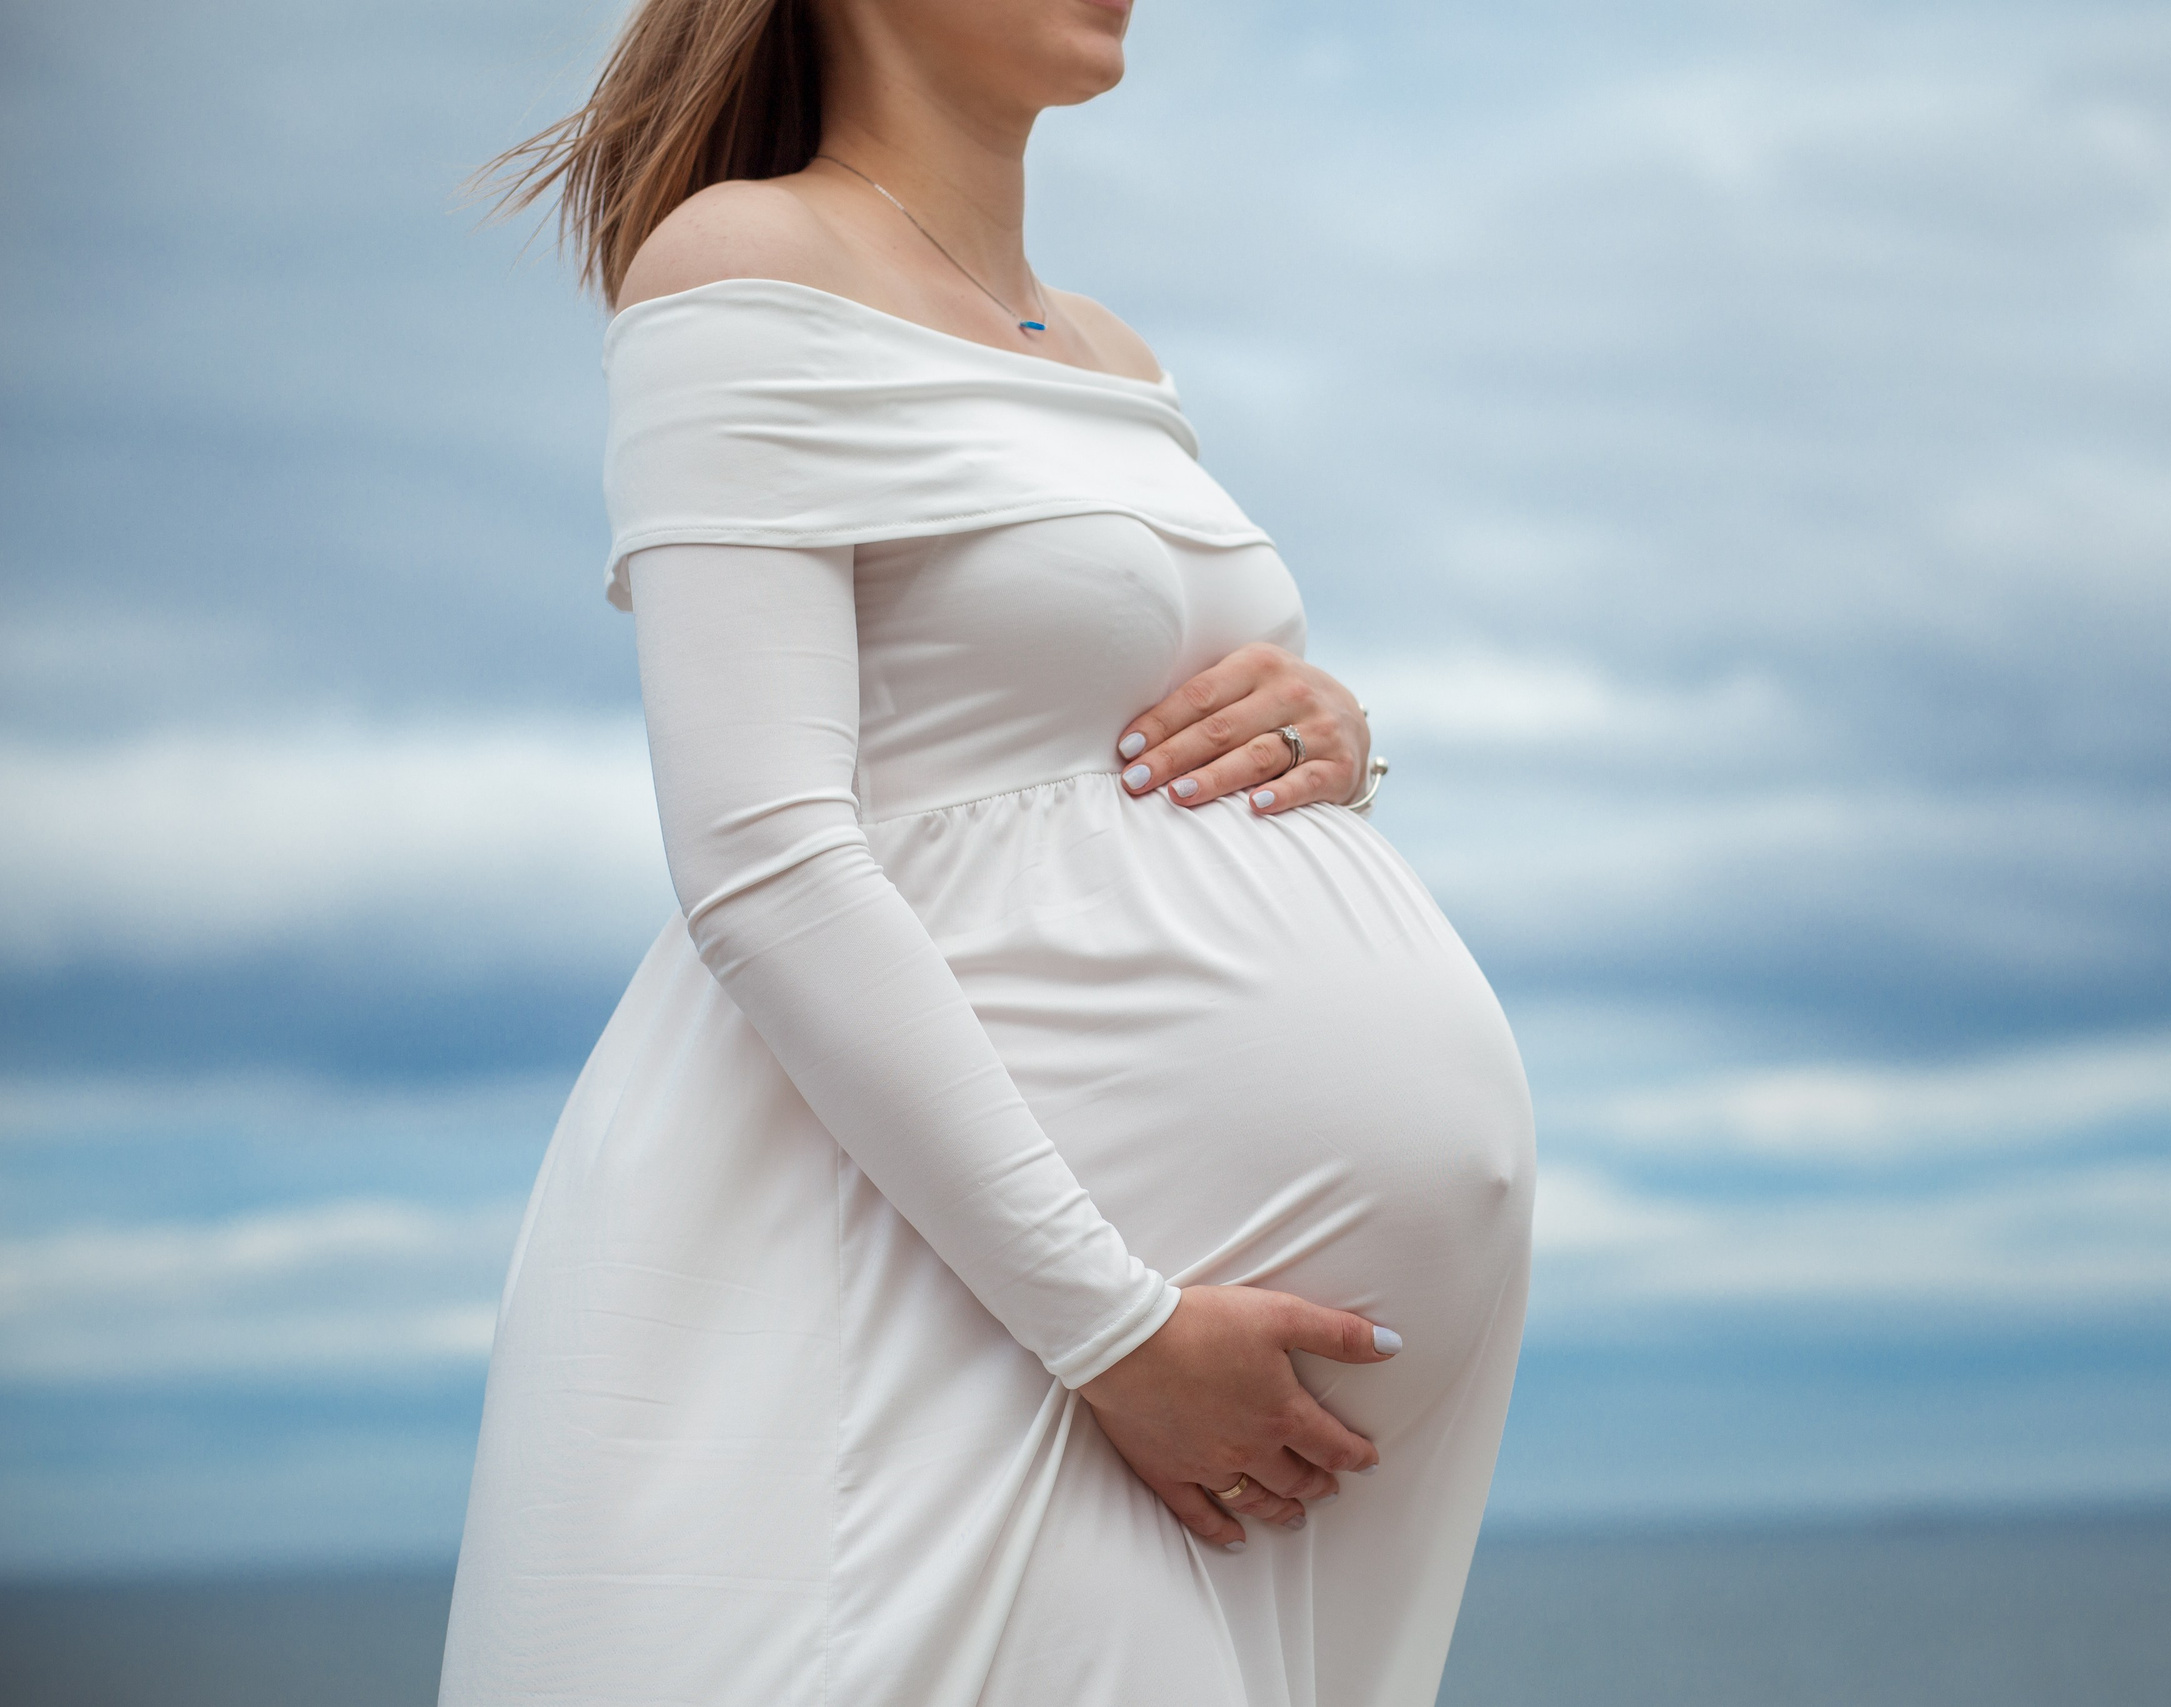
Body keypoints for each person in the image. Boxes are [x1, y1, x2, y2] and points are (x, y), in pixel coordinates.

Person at [438, 1, 1535, 1701]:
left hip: (1161, 1393)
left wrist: (1326, 729)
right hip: (970, 1325)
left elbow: (1079, 719)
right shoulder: (745, 260)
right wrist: (1113, 1330)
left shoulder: (1109, 353)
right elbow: (760, 855)